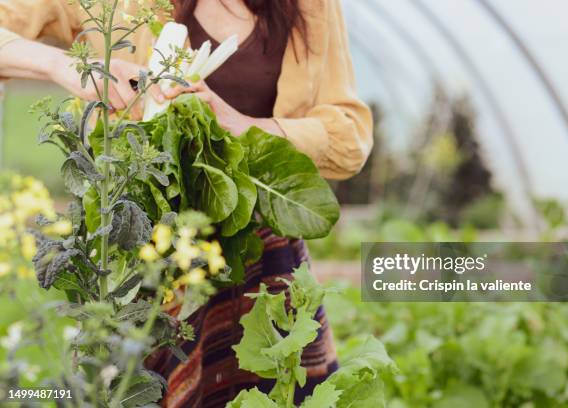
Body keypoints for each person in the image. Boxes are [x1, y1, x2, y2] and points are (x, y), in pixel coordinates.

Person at [0, 0, 373, 406]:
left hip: (255, 253)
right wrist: (68, 68)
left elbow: (349, 136)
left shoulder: (309, 7)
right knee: (131, 390)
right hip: (139, 252)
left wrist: (244, 125)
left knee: (275, 393)